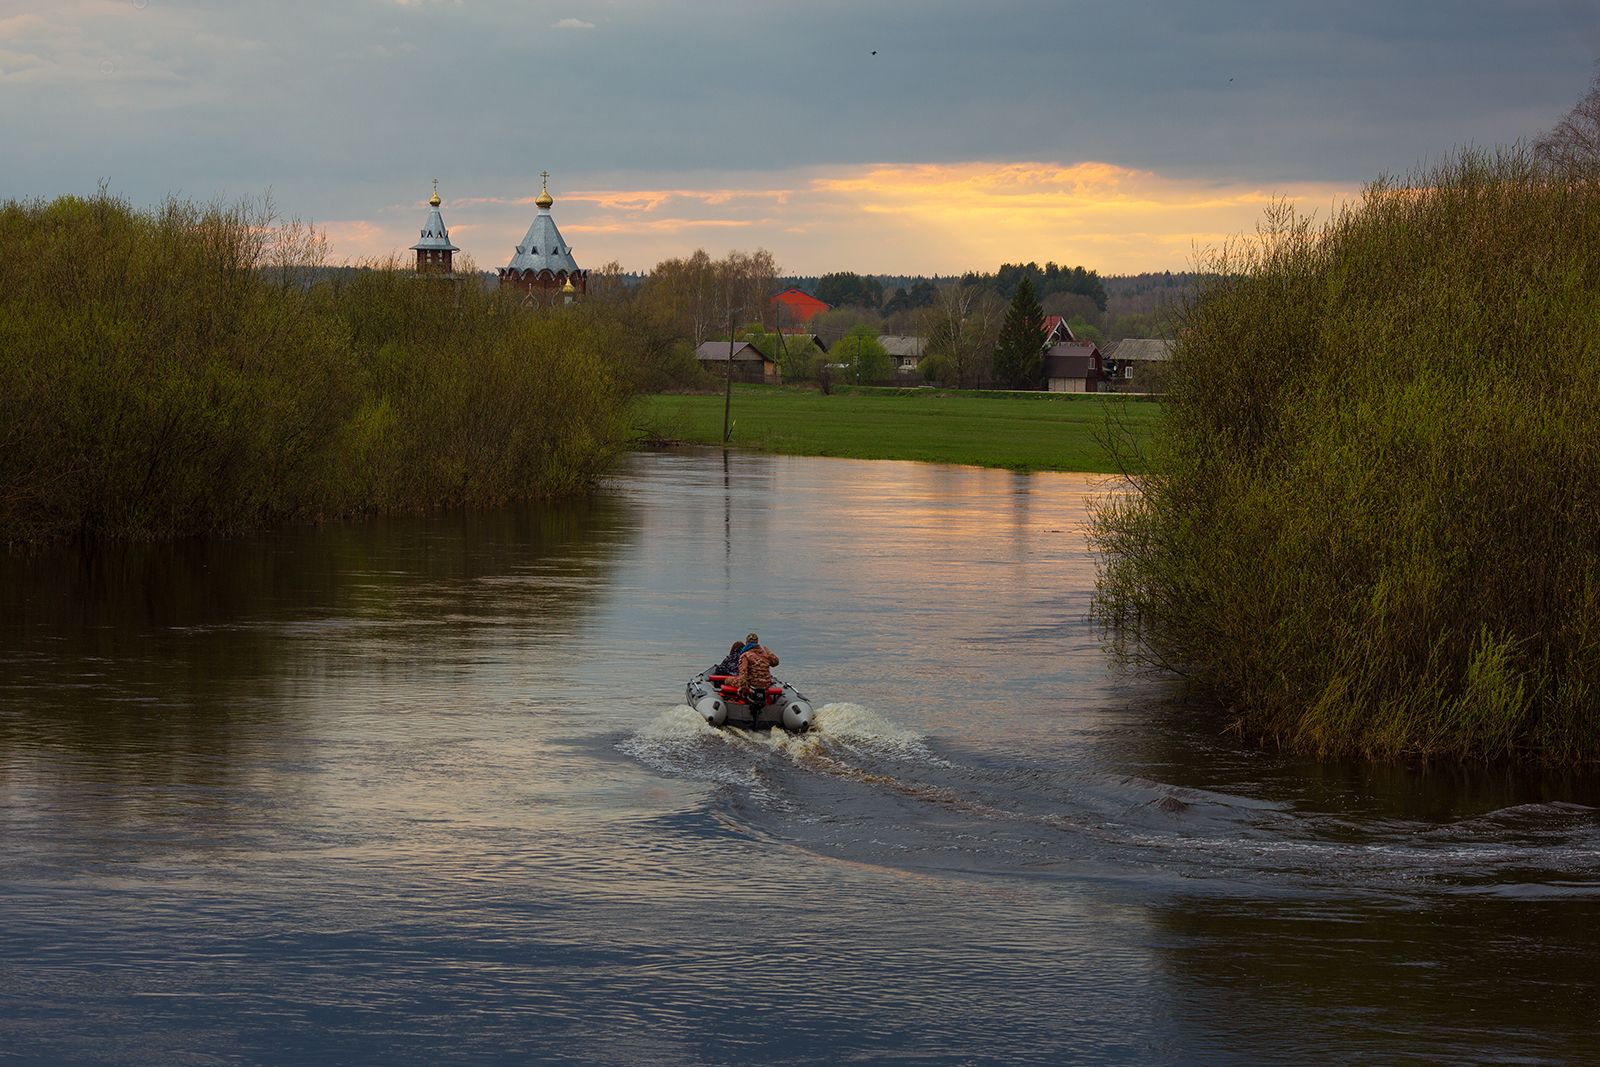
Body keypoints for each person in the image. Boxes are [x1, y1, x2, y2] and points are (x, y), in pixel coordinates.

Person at [734, 632, 779, 710]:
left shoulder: (745, 655)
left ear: (746, 642)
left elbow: (743, 672)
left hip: (752, 683)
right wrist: (768, 652)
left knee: (728, 680)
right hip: (766, 684)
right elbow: (775, 662)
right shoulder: (765, 654)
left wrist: (742, 687)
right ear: (757, 642)